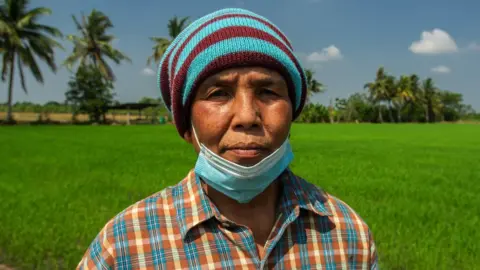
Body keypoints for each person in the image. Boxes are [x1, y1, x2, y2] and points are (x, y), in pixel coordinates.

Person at [78, 7, 378, 270]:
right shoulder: (125, 245)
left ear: (292, 111)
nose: (247, 116)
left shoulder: (346, 232)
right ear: (186, 126)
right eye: (218, 94)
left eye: (268, 92)